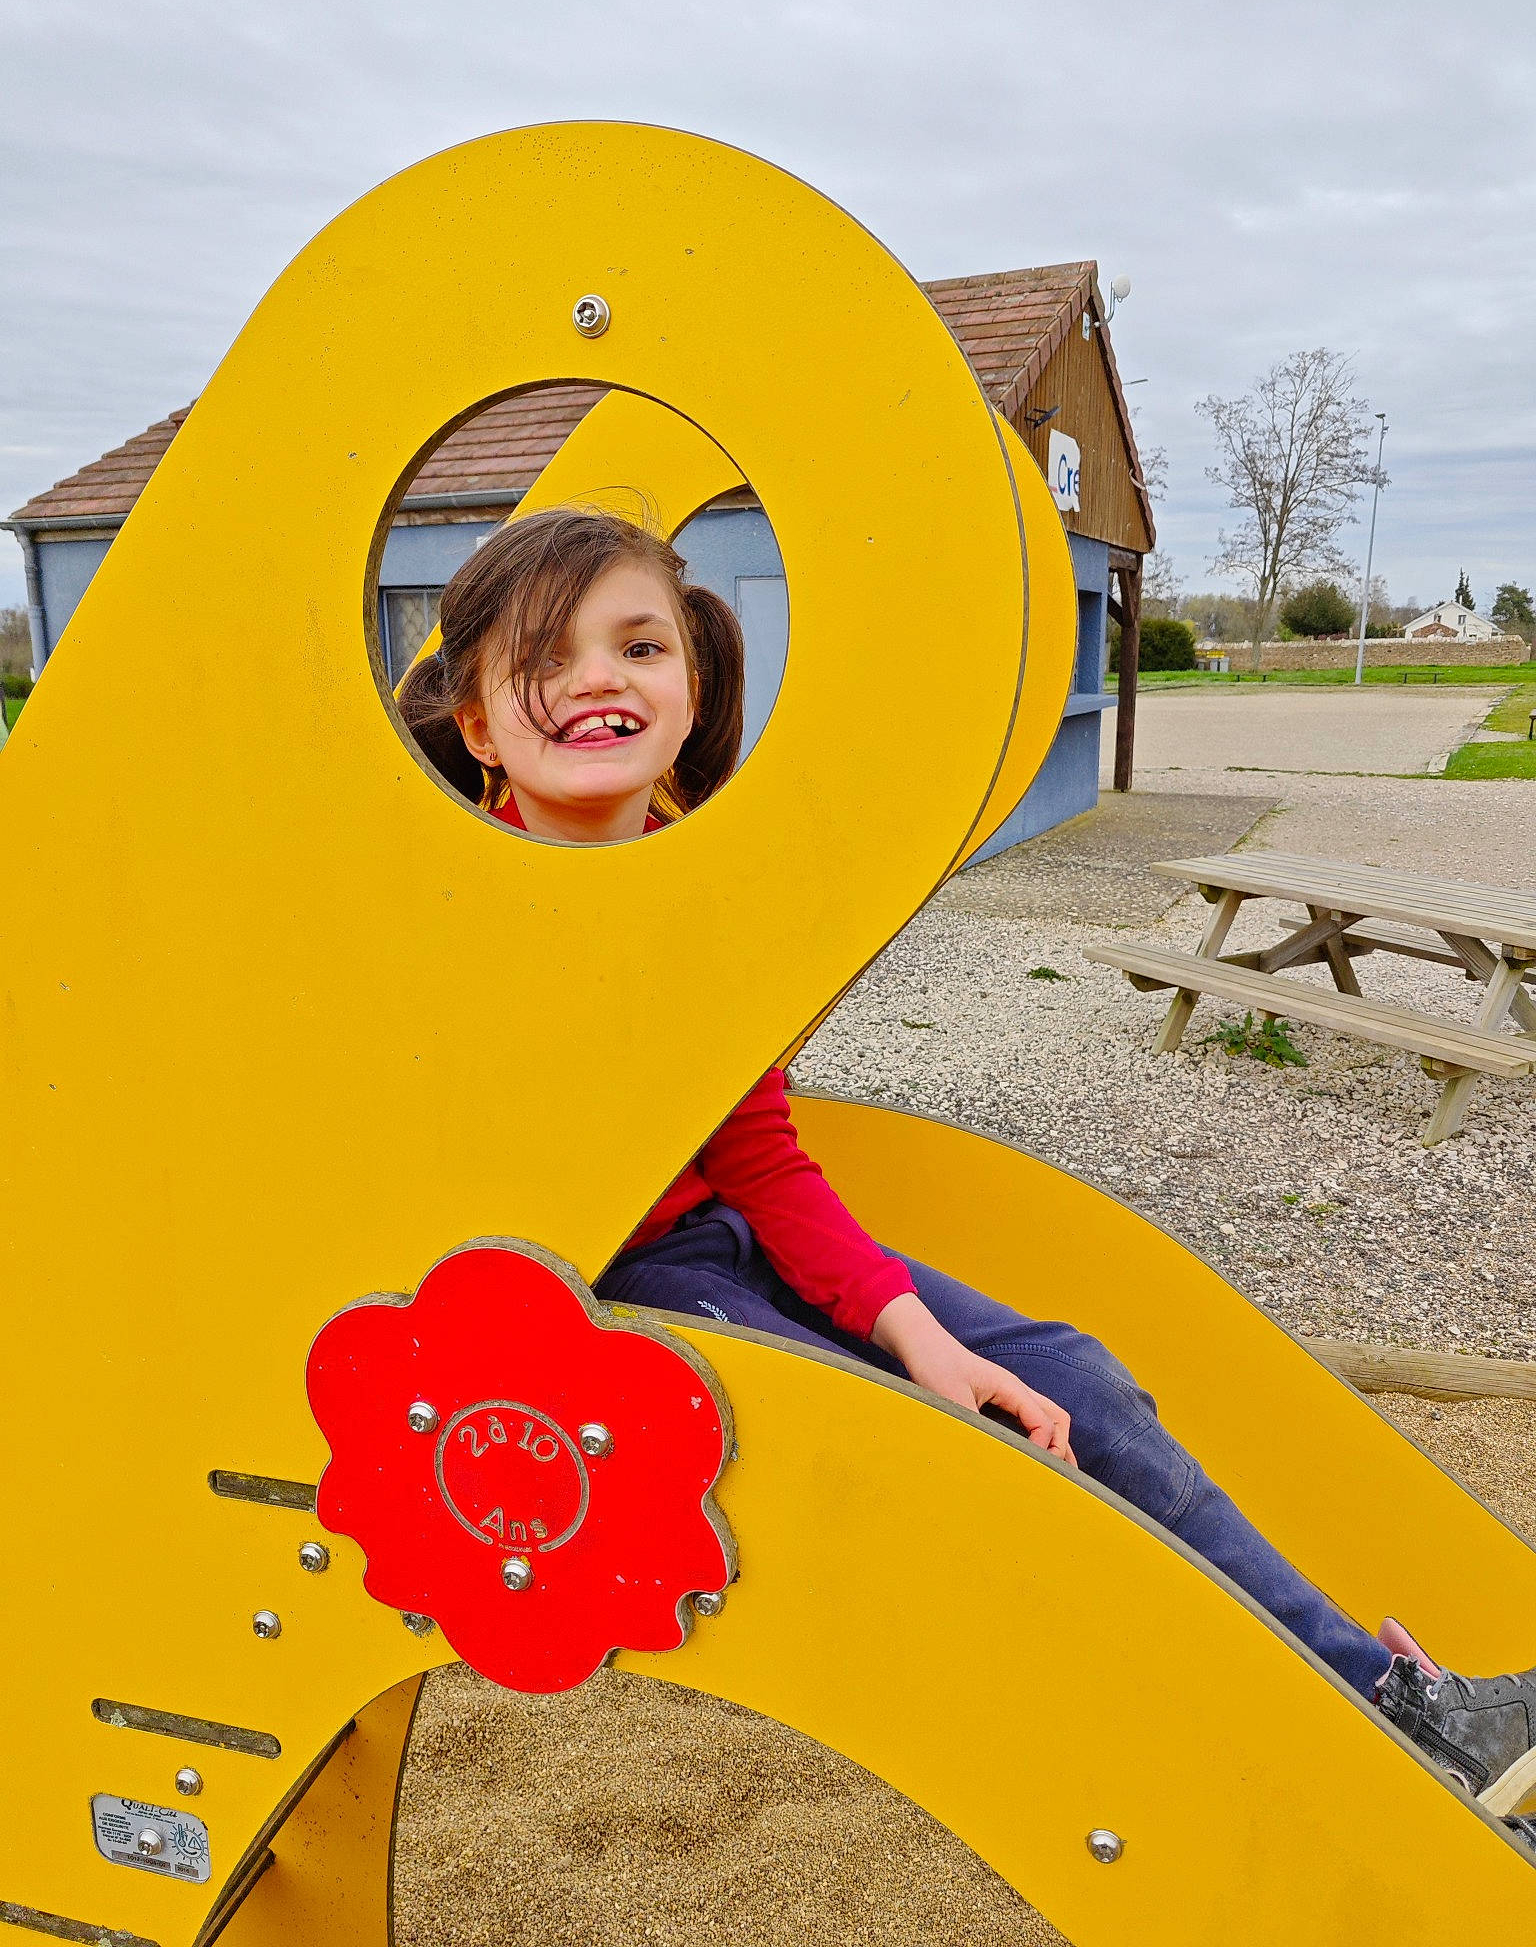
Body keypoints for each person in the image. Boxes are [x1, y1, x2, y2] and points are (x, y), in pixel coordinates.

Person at [399, 505, 1536, 1848]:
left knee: (1069, 1380)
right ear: (476, 724)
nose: (599, 677)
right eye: (549, 653)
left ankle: (1397, 1712)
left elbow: (757, 1155)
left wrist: (920, 1335)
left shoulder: (701, 899)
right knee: (949, 1474)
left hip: (705, 1245)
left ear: (688, 685)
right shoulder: (430, 899)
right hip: (567, 1304)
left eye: (639, 645)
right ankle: (1320, 1765)